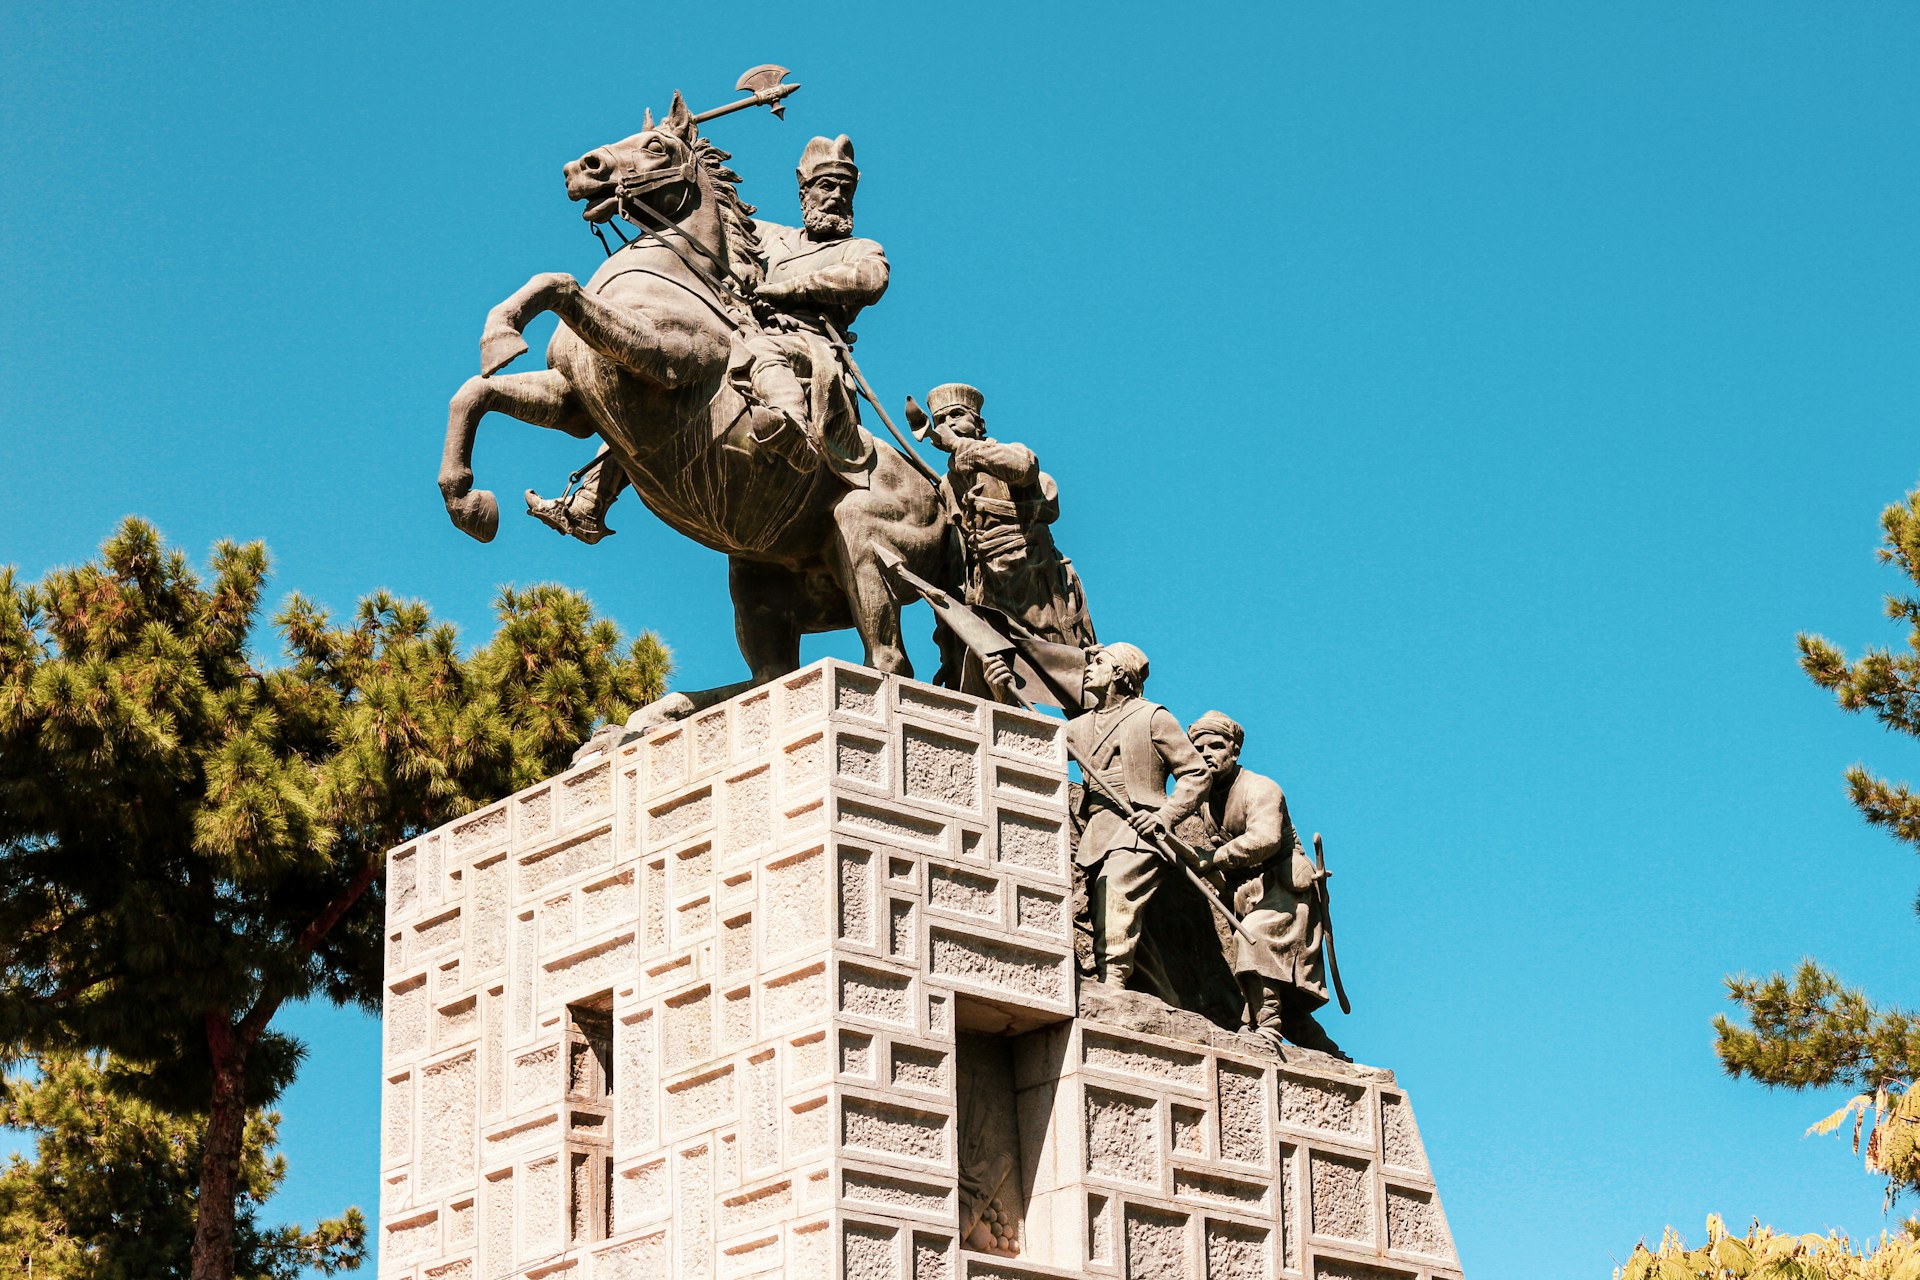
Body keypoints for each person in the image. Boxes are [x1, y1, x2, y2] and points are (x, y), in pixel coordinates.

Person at [527, 134, 890, 541]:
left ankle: (793, 426)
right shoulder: (769, 237)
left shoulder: (859, 248)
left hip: (805, 344)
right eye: (826, 186)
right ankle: (591, 498)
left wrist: (784, 290)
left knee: (761, 348)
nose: (836, 197)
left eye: (845, 189)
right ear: (805, 189)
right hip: (740, 325)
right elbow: (706, 227)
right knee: (656, 390)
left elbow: (869, 279)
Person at [1184, 710, 1347, 1059]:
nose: (1207, 754)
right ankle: (1331, 1053)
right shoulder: (1206, 799)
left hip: (1285, 890)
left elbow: (1265, 839)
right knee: (1272, 993)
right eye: (1198, 749)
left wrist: (1213, 859)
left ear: (1234, 750)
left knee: (1254, 940)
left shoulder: (1260, 788)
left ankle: (1268, 1030)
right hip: (1246, 893)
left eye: (1215, 746)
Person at [1061, 643, 1210, 990]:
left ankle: (1111, 979)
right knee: (1108, 911)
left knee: (1113, 889)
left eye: (1098, 662)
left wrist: (1165, 816)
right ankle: (1162, 995)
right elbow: (1032, 740)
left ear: (1118, 673)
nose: (1088, 668)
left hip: (1139, 825)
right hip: (1099, 828)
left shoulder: (1152, 716)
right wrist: (998, 687)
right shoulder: (1080, 728)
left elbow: (1196, 773)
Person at [910, 383, 1096, 656]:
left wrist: (963, 446)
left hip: (1035, 574)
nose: (947, 424)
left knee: (1070, 659)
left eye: (956, 415)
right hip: (989, 584)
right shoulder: (947, 484)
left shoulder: (1008, 452)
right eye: (940, 420)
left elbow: (1024, 469)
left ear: (979, 423)